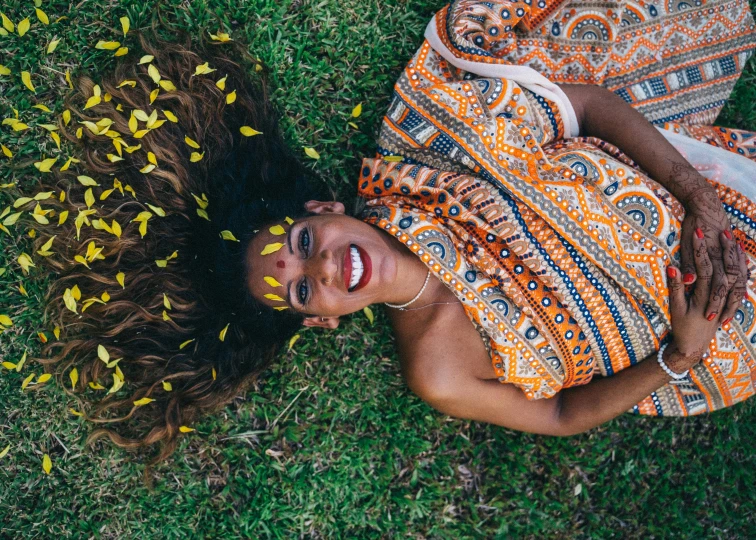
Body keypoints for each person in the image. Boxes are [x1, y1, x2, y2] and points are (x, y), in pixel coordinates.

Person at [32, 0, 756, 473]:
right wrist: (678, 356)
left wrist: (695, 199)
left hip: (706, 203)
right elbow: (563, 414)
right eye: (300, 288)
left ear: (325, 207)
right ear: (320, 318)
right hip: (713, 337)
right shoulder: (436, 372)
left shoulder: (427, 158)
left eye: (305, 241)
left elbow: (590, 103)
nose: (320, 269)